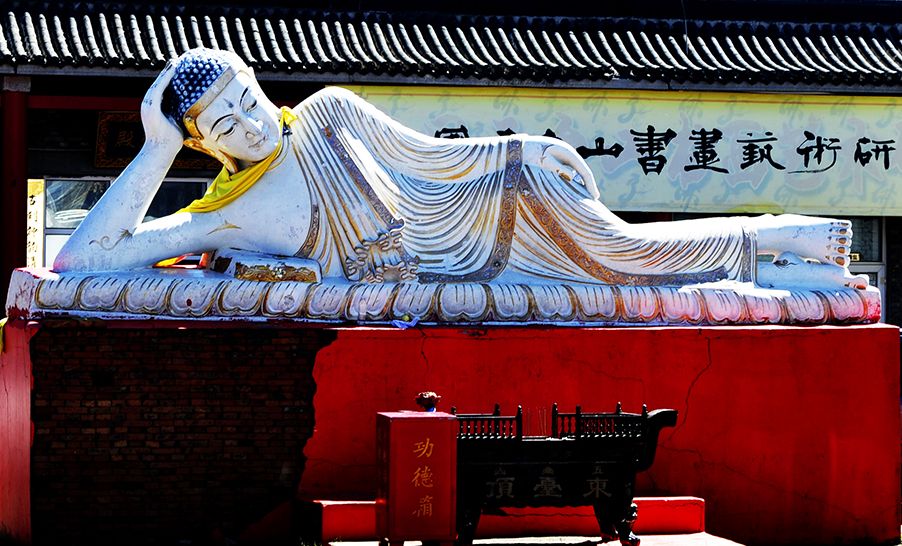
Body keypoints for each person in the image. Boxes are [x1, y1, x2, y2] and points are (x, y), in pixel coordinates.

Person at [53, 48, 868, 291]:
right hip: (456, 266)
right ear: (206, 144)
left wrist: (523, 150)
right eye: (225, 125)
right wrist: (157, 146)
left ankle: (787, 241)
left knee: (627, 257)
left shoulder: (329, 110)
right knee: (629, 266)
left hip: (489, 210)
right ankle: (784, 261)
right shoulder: (227, 210)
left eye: (249, 99)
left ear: (260, 84)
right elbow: (82, 264)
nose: (252, 123)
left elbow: (433, 157)